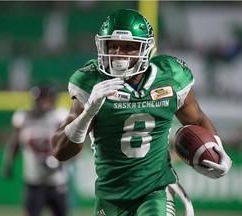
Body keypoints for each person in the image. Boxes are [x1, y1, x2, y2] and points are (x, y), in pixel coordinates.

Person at [52, 9, 232, 216]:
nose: (118, 53)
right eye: (113, 45)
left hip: (154, 191)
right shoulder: (91, 82)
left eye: (128, 47)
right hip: (109, 196)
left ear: (145, 50)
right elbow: (60, 151)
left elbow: (197, 119)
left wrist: (217, 149)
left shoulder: (170, 76)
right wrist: (88, 113)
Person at [1, 85, 70, 216]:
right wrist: (8, 163)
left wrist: (60, 160)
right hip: (33, 179)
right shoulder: (23, 117)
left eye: (47, 99)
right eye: (41, 99)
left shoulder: (60, 117)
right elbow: (15, 141)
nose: (44, 103)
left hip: (57, 179)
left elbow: (71, 145)